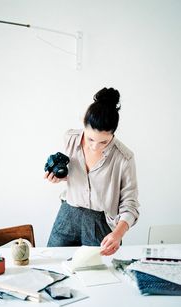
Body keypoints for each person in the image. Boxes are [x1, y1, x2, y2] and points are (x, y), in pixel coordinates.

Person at [44, 87, 139, 256]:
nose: (95, 146)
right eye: (90, 139)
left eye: (104, 142)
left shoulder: (124, 158)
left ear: (113, 134)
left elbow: (130, 205)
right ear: (83, 124)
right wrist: (61, 177)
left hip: (100, 223)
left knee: (98, 277)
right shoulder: (70, 138)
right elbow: (77, 176)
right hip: (68, 214)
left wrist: (118, 233)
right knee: (53, 264)